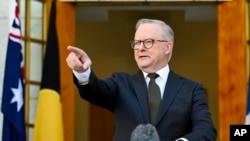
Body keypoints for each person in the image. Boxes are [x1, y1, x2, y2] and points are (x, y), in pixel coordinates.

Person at [66, 18, 217, 141]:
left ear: (167, 47)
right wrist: (83, 71)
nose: (140, 48)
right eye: (137, 43)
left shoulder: (192, 90)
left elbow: (206, 130)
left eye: (148, 41)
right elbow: (95, 91)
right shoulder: (121, 83)